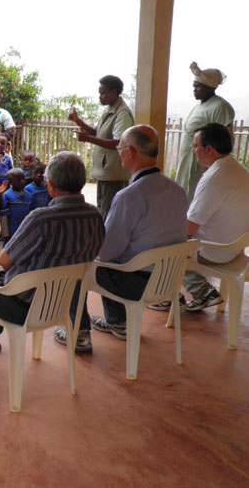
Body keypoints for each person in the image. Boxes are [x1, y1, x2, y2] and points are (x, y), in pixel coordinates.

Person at [0, 151, 105, 366]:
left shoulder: (41, 218)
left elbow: (4, 260)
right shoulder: (95, 215)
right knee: (0, 278)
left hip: (23, 306)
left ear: (51, 185)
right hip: (64, 303)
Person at [55, 125, 187, 352]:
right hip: (169, 280)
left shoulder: (130, 196)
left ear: (132, 152)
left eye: (120, 147)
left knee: (77, 260)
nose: (118, 152)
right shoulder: (176, 189)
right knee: (119, 256)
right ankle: (117, 322)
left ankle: (78, 332)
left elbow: (106, 252)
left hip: (136, 284)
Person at [175, 123, 249, 312]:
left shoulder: (214, 177)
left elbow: (189, 227)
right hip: (237, 248)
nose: (193, 151)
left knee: (167, 245)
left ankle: (198, 293)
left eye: (195, 146)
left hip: (215, 251)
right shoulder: (240, 170)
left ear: (209, 149)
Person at [68, 75, 134, 220]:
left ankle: (108, 241)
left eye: (103, 93)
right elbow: (96, 132)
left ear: (114, 92)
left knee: (110, 213)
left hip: (114, 172)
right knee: (103, 208)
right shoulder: (109, 109)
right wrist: (77, 121)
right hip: (105, 171)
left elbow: (119, 143)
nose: (100, 97)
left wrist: (88, 139)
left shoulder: (122, 113)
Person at [175, 62, 235, 203]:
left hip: (202, 163)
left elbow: (222, 139)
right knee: (185, 194)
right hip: (188, 159)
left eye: (198, 86)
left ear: (209, 88)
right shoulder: (199, 106)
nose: (194, 89)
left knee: (198, 195)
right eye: (194, 86)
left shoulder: (220, 106)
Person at [0, 168, 30, 242]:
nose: (22, 181)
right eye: (18, 180)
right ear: (10, 182)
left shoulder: (29, 195)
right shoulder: (7, 195)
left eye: (23, 179)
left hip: (25, 229)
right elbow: (3, 216)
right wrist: (5, 234)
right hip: (12, 230)